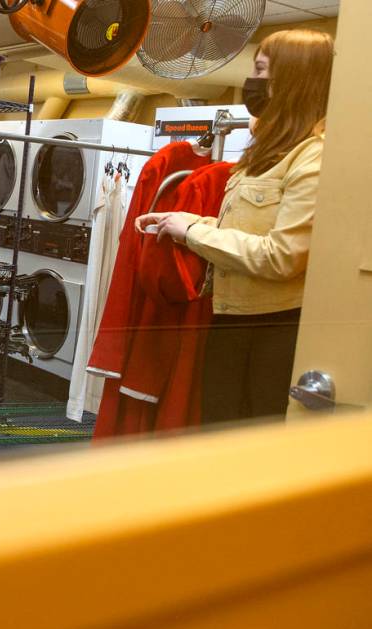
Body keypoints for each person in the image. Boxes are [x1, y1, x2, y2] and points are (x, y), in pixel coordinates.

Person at [136, 29, 334, 426]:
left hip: (272, 329)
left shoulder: (313, 159)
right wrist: (187, 221)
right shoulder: (268, 154)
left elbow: (281, 257)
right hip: (231, 317)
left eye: (261, 70)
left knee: (250, 443)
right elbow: (245, 228)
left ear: (291, 79)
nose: (252, 82)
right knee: (219, 431)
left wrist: (192, 233)